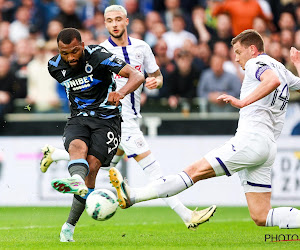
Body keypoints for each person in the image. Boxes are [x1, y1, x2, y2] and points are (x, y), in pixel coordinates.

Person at [40, 5, 213, 235]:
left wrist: (156, 83)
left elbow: (156, 76)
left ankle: (57, 156)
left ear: (126, 21)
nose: (114, 24)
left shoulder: (142, 47)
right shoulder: (97, 51)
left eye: (118, 19)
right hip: (121, 120)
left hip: (130, 117)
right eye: (109, 20)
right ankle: (186, 215)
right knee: (155, 172)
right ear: (105, 23)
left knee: (101, 165)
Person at [109, 30, 300, 229]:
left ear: (252, 50)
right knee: (261, 215)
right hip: (268, 146)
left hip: (251, 140)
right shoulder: (281, 68)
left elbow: (271, 81)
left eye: (238, 52)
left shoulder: (255, 63)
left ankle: (133, 196)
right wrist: (297, 64)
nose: (235, 58)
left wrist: (243, 102)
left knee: (193, 171)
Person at [46, 27, 145, 242]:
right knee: (76, 148)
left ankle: (69, 225)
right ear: (58, 50)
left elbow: (137, 76)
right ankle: (76, 183)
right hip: (79, 118)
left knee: (92, 167)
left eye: (74, 51)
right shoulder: (54, 66)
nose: (70, 57)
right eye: (65, 53)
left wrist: (120, 92)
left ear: (81, 46)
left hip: (107, 120)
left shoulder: (98, 56)